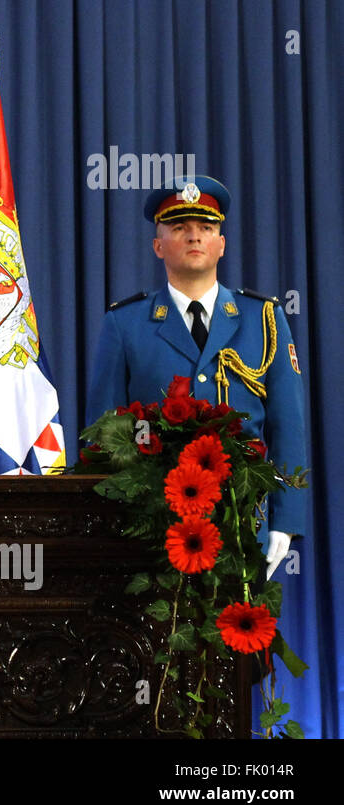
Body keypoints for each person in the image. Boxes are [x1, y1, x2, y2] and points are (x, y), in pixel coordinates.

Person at [86, 176, 306, 576]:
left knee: (239, 635)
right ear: (158, 246)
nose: (195, 237)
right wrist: (111, 518)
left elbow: (287, 425)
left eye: (206, 228)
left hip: (244, 520)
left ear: (221, 244)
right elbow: (105, 431)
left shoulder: (264, 319)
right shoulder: (125, 322)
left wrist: (287, 521)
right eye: (180, 228)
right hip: (152, 520)